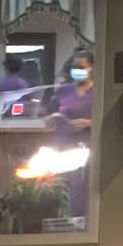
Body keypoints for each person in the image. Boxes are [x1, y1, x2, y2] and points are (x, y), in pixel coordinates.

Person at [44, 48, 97, 219]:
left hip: (87, 146)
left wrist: (90, 123)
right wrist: (53, 117)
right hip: (62, 145)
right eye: (75, 67)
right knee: (60, 186)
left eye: (82, 67)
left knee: (81, 189)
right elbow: (47, 118)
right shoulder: (63, 91)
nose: (78, 71)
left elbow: (107, 120)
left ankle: (81, 223)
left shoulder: (99, 92)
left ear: (92, 69)